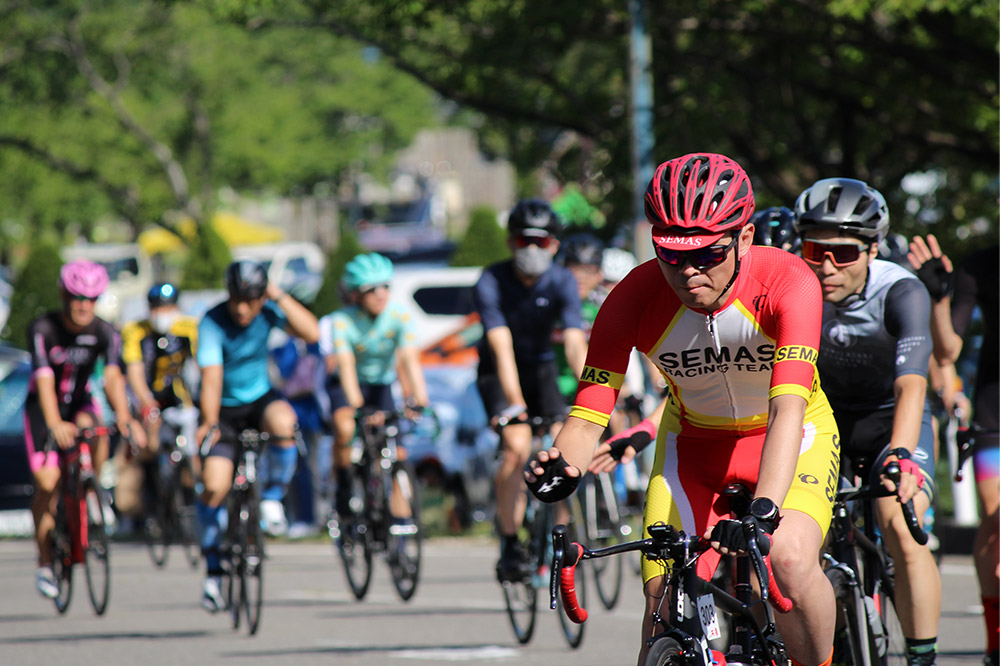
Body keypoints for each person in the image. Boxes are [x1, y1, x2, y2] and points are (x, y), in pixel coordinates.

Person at [526, 153, 840, 666]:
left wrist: (764, 510)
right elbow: (590, 409)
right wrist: (564, 463)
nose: (688, 273)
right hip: (692, 445)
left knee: (788, 559)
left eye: (708, 255)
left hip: (790, 435)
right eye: (670, 256)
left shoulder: (789, 281)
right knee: (661, 599)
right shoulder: (632, 298)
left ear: (744, 239)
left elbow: (787, 409)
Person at [794, 178, 940, 665]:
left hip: (890, 419)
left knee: (899, 525)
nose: (827, 265)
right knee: (798, 538)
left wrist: (900, 455)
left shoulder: (900, 290)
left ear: (873, 250)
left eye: (845, 254)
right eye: (815, 249)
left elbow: (912, 386)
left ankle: (921, 657)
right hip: (826, 424)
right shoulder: (795, 289)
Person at [194, 259, 319, 613]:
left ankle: (272, 498)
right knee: (215, 487)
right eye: (236, 299)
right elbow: (211, 377)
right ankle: (213, 570)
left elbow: (311, 333)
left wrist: (278, 296)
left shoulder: (268, 311)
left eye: (251, 300)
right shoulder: (212, 321)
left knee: (284, 422)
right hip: (224, 409)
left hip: (260, 400)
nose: (243, 309)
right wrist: (209, 420)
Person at [475, 198, 587, 581]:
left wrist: (595, 390)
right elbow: (500, 347)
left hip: (541, 369)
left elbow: (574, 342)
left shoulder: (562, 280)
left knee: (563, 450)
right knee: (518, 446)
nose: (531, 250)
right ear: (510, 242)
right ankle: (509, 542)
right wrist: (516, 404)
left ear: (555, 245)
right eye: (524, 241)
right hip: (498, 372)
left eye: (541, 242)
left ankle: (556, 535)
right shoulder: (492, 280)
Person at [24, 259, 146, 599]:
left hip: (79, 405)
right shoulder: (43, 328)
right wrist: (53, 424)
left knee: (97, 427)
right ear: (65, 296)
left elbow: (111, 377)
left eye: (91, 299)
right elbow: (45, 380)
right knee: (47, 484)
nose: (83, 305)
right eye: (77, 297)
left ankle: (94, 485)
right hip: (43, 408)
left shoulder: (106, 332)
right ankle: (46, 563)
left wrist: (125, 415)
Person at [908, 235, 998, 665]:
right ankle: (995, 643)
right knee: (996, 522)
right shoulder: (978, 265)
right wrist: (939, 299)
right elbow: (948, 349)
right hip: (993, 415)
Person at [320, 252, 429, 525]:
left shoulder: (399, 316)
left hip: (381, 384)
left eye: (385, 287)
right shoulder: (342, 321)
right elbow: (344, 367)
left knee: (397, 452)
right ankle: (344, 485)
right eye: (371, 290)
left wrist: (419, 399)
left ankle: (401, 522)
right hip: (349, 386)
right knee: (345, 428)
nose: (380, 294)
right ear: (356, 294)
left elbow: (409, 362)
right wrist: (359, 407)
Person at [120, 283, 199, 526]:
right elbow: (134, 372)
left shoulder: (189, 328)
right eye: (156, 307)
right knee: (148, 442)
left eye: (166, 307)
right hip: (149, 396)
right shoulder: (135, 330)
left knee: (193, 449)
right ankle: (150, 502)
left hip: (179, 396)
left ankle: (191, 501)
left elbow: (202, 365)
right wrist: (146, 402)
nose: (161, 313)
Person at [553, 232, 605, 403]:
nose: (581, 277)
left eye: (588, 270)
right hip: (552, 388)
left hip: (594, 385)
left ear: (600, 274)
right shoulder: (548, 303)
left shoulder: (606, 305)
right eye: (575, 268)